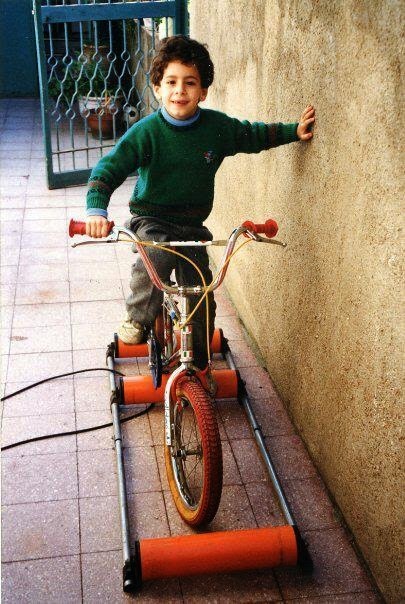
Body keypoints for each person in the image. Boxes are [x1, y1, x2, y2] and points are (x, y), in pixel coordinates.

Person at [85, 35, 315, 369]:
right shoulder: (146, 132)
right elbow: (109, 168)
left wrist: (294, 131)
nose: (180, 90)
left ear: (203, 91)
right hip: (152, 218)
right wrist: (96, 209)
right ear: (157, 88)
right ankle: (137, 318)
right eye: (171, 82)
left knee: (200, 290)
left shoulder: (216, 129)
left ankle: (200, 360)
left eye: (190, 83)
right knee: (157, 252)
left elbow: (253, 135)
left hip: (192, 224)